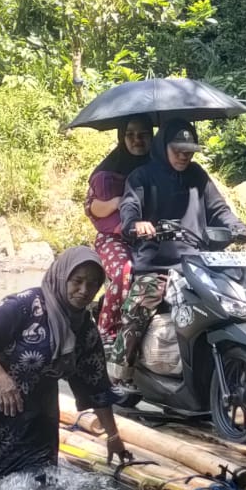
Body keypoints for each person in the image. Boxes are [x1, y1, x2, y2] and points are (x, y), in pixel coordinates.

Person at [0, 247, 131, 484]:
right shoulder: (26, 305)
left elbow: (97, 387)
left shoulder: (85, 330)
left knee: (39, 483)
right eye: (77, 281)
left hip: (37, 409)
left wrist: (113, 436)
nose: (84, 291)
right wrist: (0, 379)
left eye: (92, 285)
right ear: (62, 278)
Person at [113, 119, 246, 365]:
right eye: (178, 151)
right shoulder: (141, 177)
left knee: (229, 304)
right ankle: (121, 372)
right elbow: (129, 208)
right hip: (156, 266)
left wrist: (242, 229)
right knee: (138, 309)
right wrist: (136, 224)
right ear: (163, 147)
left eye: (189, 152)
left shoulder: (198, 176)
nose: (184, 156)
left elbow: (220, 211)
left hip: (197, 264)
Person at [84, 117, 153, 345]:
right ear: (122, 137)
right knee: (126, 270)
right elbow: (92, 208)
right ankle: (107, 334)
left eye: (143, 134)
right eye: (130, 134)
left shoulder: (160, 166)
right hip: (114, 237)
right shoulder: (107, 171)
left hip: (152, 237)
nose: (137, 140)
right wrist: (117, 201)